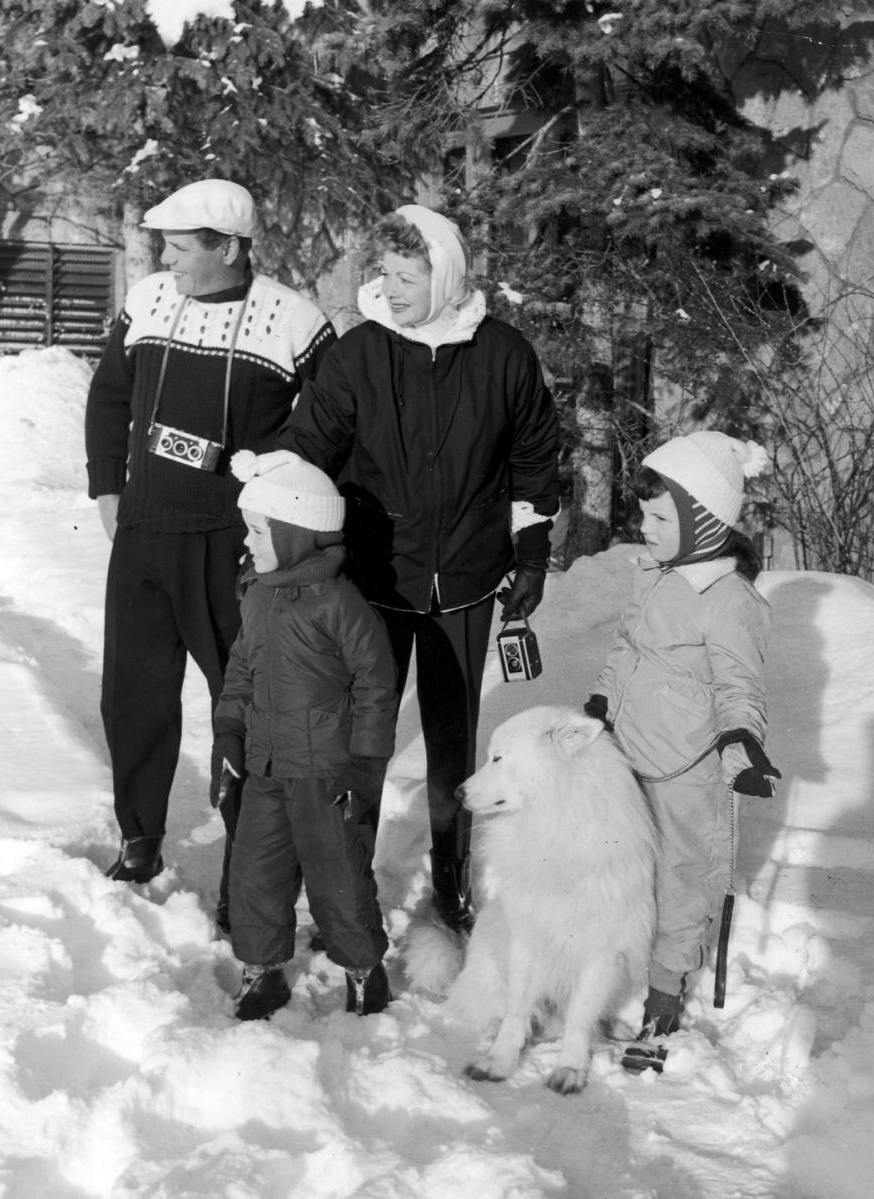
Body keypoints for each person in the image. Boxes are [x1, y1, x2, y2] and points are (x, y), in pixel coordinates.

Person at [277, 204, 560, 935]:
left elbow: (533, 460)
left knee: (451, 746)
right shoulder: (360, 353)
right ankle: (343, 891)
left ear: (447, 275)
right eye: (387, 274)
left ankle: (449, 885)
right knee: (363, 743)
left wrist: (531, 550)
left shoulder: (503, 355)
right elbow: (308, 450)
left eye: (409, 275)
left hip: (466, 579)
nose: (393, 288)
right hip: (373, 579)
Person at [84, 179, 336, 893]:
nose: (165, 257)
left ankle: (248, 868)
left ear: (228, 246)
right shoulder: (147, 301)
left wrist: (271, 485)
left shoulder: (294, 319)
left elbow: (330, 425)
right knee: (132, 697)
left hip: (233, 548)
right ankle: (138, 840)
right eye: (163, 242)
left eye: (179, 245)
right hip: (143, 533)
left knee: (248, 709)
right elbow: (108, 395)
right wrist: (108, 486)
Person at [583, 431, 781, 1073]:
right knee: (617, 873)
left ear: (704, 522)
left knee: (680, 881)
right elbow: (626, 650)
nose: (644, 527)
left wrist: (742, 740)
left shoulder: (730, 602)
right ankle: (602, 980)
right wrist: (600, 703)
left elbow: (740, 686)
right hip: (626, 757)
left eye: (661, 517)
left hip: (687, 771)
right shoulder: (655, 576)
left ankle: (663, 1000)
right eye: (645, 513)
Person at [212, 449, 399, 1020]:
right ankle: (263, 972)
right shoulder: (258, 594)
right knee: (254, 874)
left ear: (296, 534)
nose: (248, 544)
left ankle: (365, 971)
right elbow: (241, 670)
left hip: (326, 773)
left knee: (338, 876)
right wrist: (228, 735)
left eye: (258, 532)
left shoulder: (339, 604)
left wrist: (365, 765)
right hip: (266, 767)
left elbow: (376, 686)